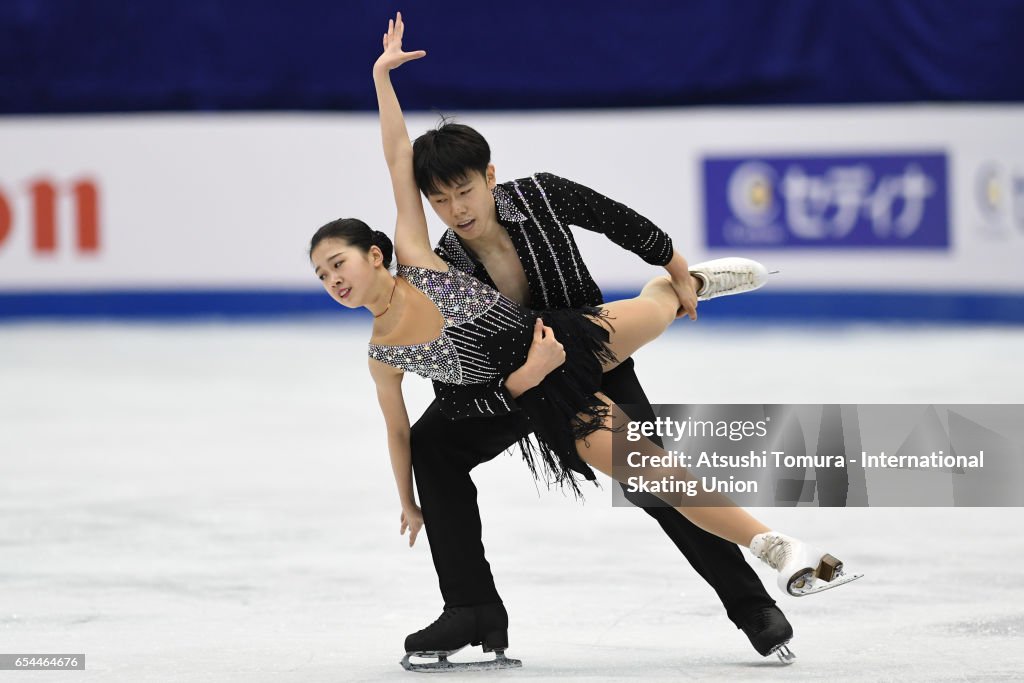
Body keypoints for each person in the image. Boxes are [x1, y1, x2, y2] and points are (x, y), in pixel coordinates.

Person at [314, 13, 858, 669]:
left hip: (581, 338)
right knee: (446, 446)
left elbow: (608, 217)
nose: (456, 208)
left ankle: (757, 602)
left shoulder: (521, 204)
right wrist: (420, 486)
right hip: (527, 380)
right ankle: (473, 607)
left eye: (464, 190)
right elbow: (458, 380)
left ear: (489, 177)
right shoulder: (436, 263)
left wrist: (676, 267)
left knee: (655, 461)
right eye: (441, 200)